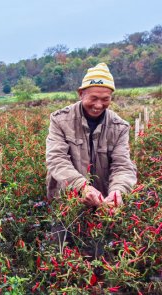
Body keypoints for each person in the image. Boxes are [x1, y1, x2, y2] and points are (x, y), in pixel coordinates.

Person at [46, 63, 137, 258]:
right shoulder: (60, 120)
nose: (98, 105)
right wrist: (82, 187)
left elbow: (122, 165)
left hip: (102, 204)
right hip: (66, 202)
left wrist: (116, 192)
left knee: (99, 256)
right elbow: (56, 159)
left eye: (105, 99)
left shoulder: (119, 127)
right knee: (63, 258)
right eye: (93, 98)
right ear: (81, 93)